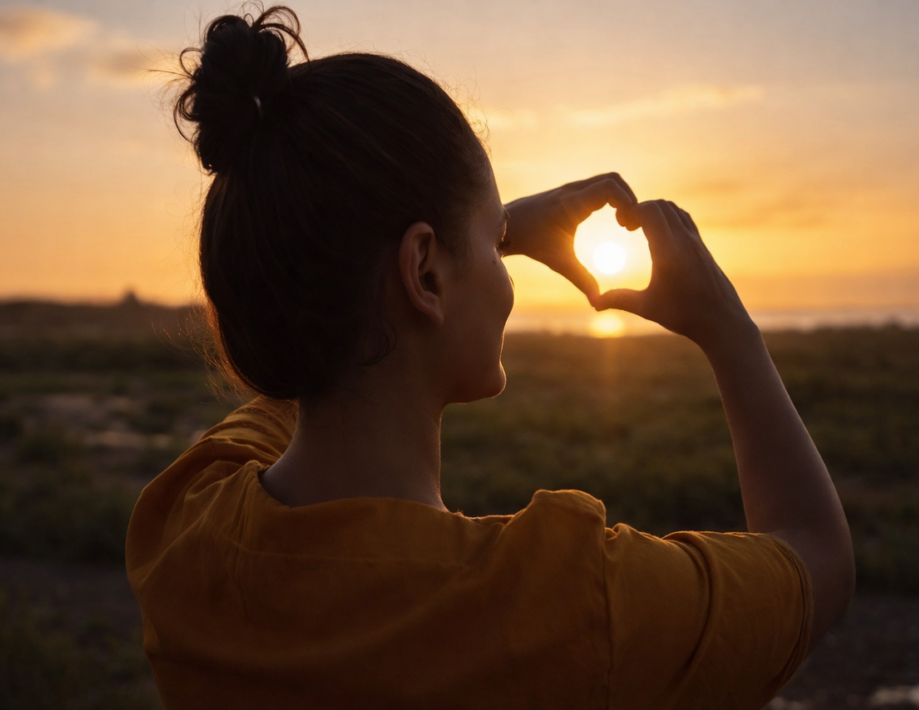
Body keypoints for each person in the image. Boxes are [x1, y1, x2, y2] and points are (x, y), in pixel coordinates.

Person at [125, 5, 854, 708]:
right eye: (493, 240)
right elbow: (817, 556)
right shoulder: (567, 607)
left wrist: (469, 237)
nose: (504, 273)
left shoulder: (186, 531)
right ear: (424, 273)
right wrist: (728, 328)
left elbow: (319, 329)